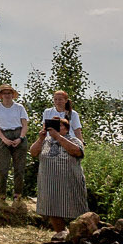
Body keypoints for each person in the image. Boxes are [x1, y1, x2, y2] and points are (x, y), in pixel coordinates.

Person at [30, 101, 88, 236]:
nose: (55, 128)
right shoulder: (45, 141)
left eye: (59, 126)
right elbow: (33, 152)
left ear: (67, 129)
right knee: (52, 210)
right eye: (53, 126)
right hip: (50, 184)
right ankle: (61, 234)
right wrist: (41, 138)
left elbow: (77, 152)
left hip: (70, 183)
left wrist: (58, 137)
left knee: (76, 209)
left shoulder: (73, 140)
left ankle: (81, 235)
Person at [0, 84, 29, 198]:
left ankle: (18, 195)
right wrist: (4, 139)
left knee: (19, 168)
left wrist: (20, 138)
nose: (7, 95)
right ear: (0, 95)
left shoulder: (19, 107)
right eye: (4, 93)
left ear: (12, 95)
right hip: (3, 135)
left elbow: (25, 125)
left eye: (9, 93)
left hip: (18, 134)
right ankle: (2, 195)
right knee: (1, 168)